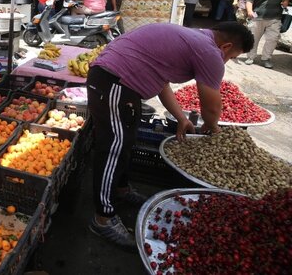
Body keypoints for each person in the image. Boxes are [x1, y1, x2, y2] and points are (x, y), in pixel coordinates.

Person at [87, 22, 254, 248]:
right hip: (114, 81)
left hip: (118, 82)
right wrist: (213, 129)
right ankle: (103, 219)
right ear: (226, 46)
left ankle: (121, 189)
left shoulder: (196, 38)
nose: (226, 61)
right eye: (231, 57)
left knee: (126, 140)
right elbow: (212, 108)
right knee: (113, 148)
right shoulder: (210, 51)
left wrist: (182, 117)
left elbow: (161, 81)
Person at [244, 0, 289, 68]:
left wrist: (285, 2)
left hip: (275, 18)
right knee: (254, 38)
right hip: (258, 18)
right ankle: (250, 57)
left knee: (272, 39)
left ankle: (266, 58)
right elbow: (249, 1)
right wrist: (249, 11)